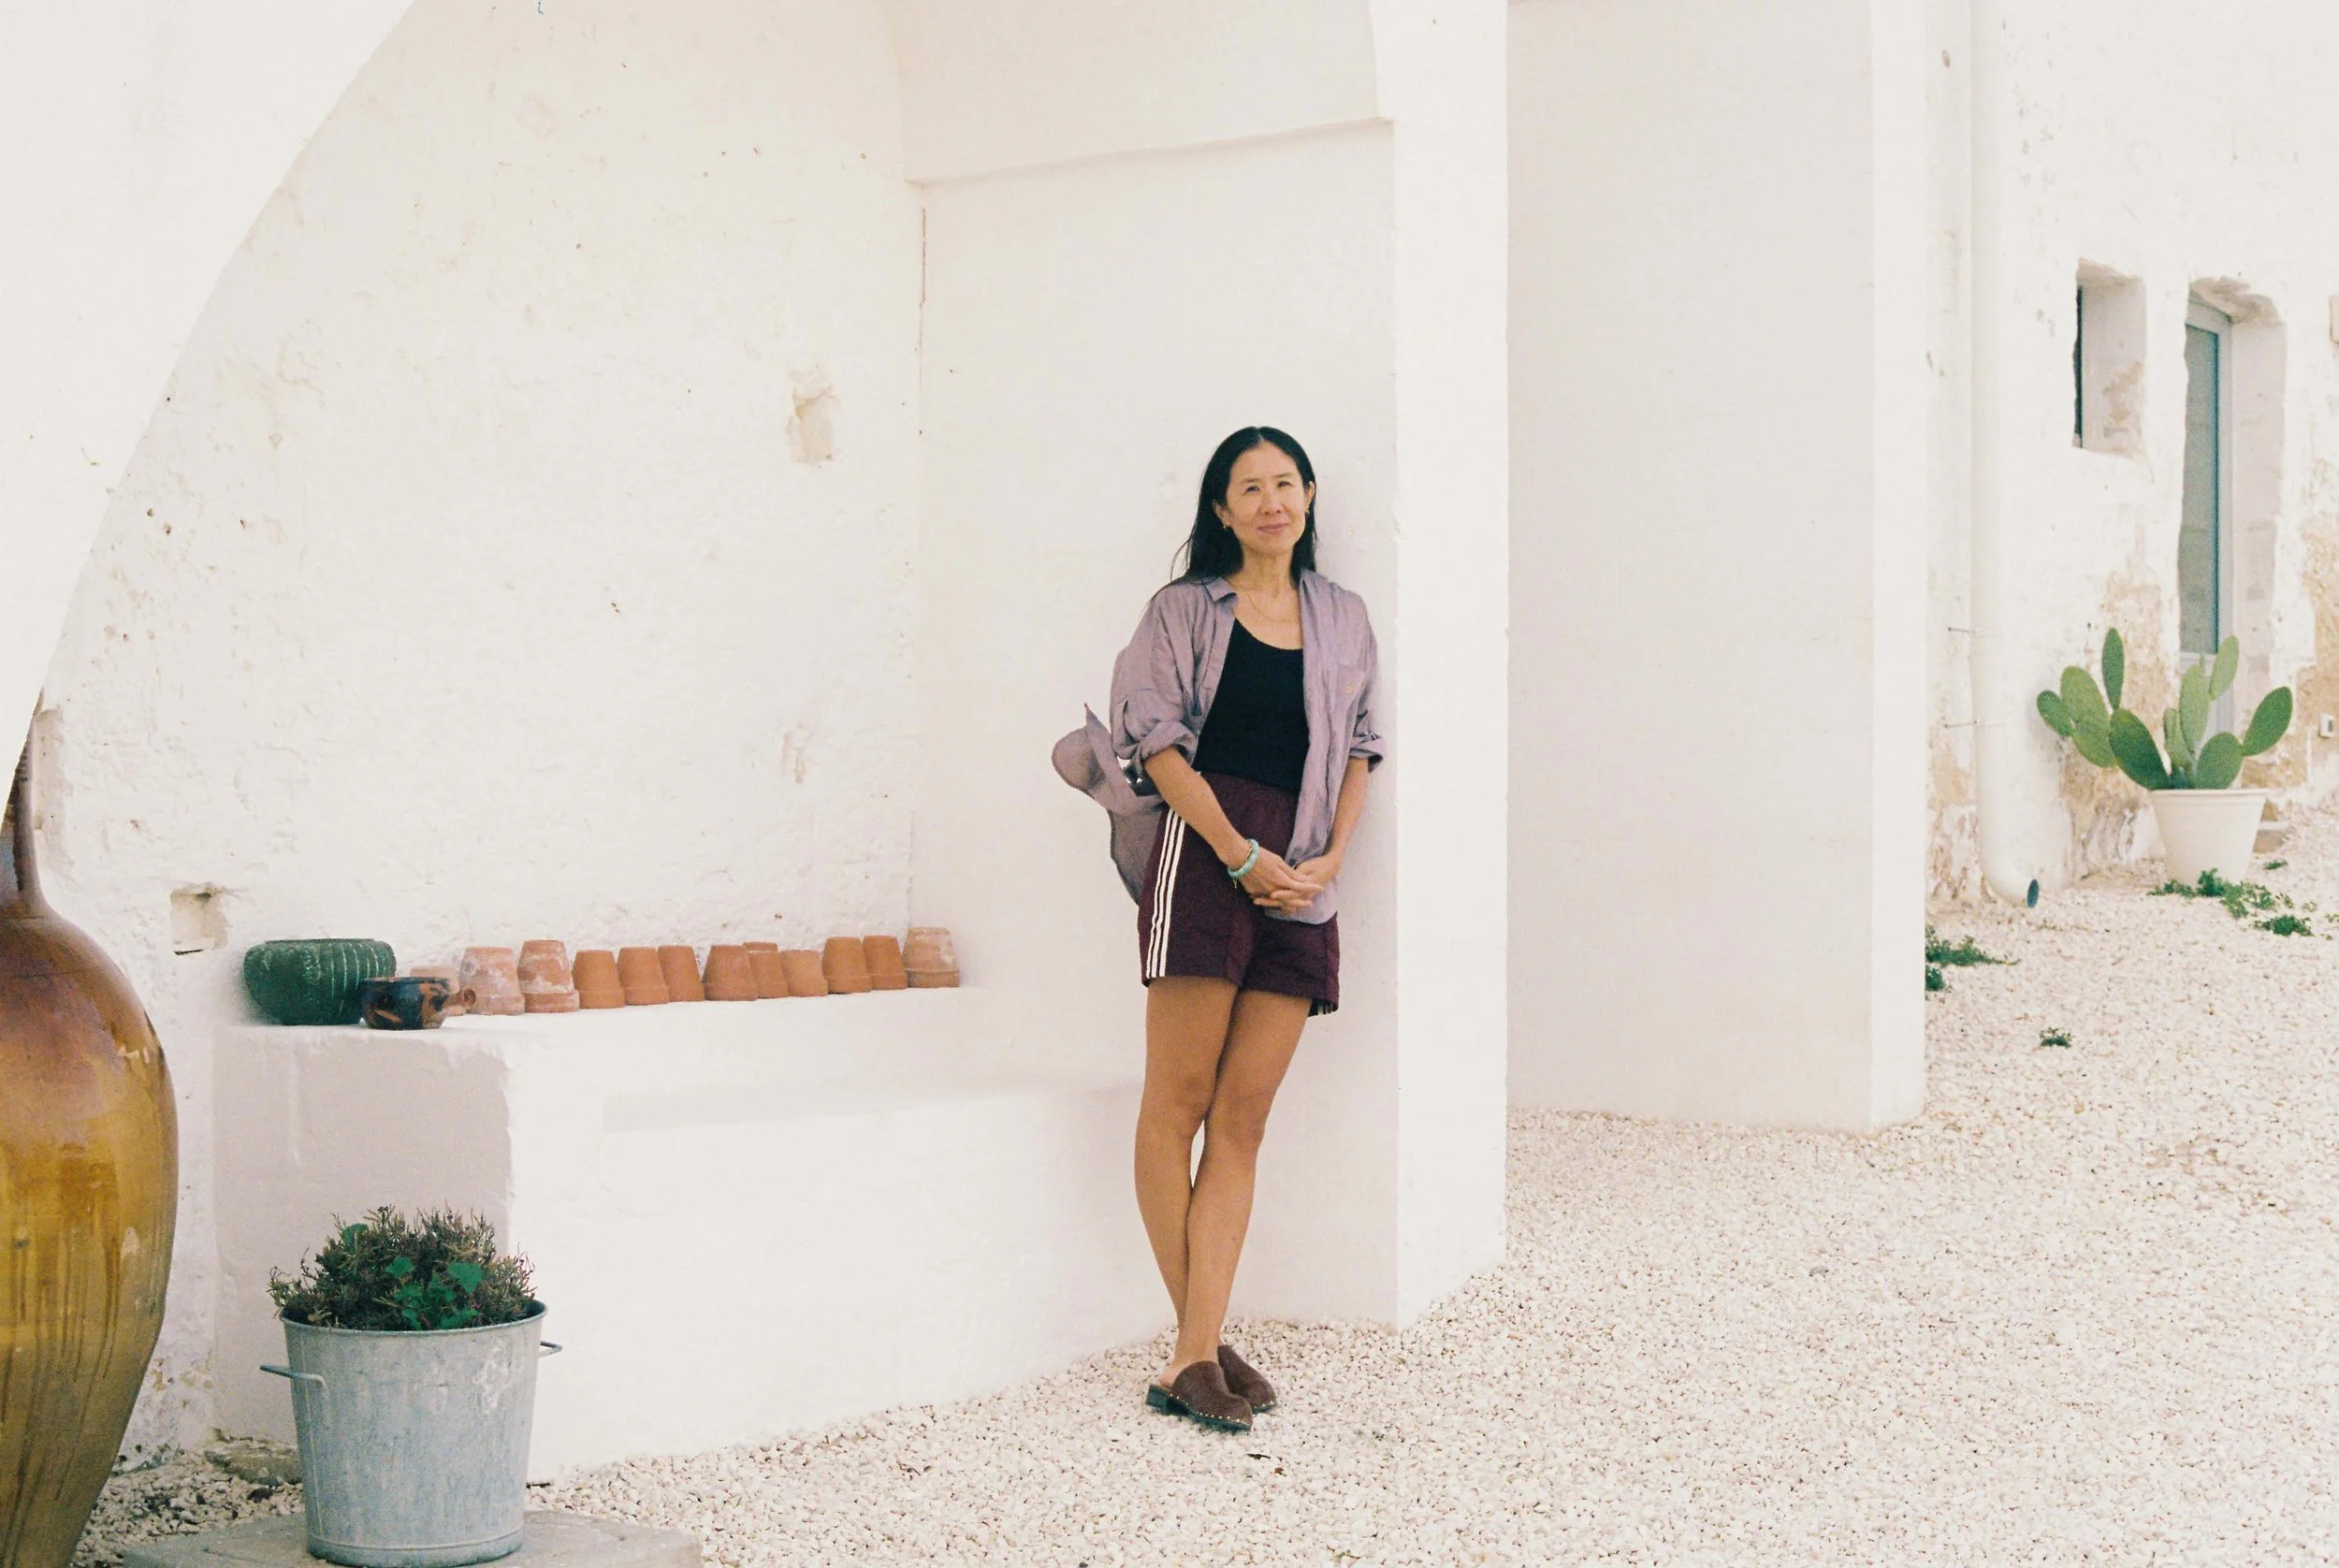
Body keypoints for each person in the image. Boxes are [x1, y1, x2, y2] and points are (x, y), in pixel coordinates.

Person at [1093, 426, 1381, 1433]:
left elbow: (1361, 747)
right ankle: (1196, 1349)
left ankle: (1197, 1343)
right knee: (1177, 1101)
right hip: (1207, 850)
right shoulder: (1181, 610)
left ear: (1310, 496)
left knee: (1244, 1115)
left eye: (1285, 483)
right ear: (1221, 509)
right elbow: (1155, 743)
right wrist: (1235, 851)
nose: (1270, 502)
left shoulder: (1343, 616)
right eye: (1248, 487)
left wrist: (1330, 858)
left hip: (1301, 873)